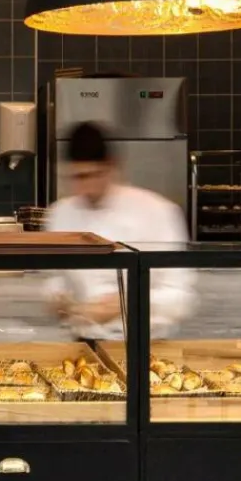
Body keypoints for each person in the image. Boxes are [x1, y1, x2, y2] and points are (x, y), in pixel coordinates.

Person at [45, 121, 195, 339]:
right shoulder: (61, 214)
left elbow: (180, 295)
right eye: (76, 177)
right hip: (86, 342)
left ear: (112, 167)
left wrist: (123, 304)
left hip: (145, 344)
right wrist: (60, 300)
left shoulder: (157, 211)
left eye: (92, 175)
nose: (85, 187)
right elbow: (56, 279)